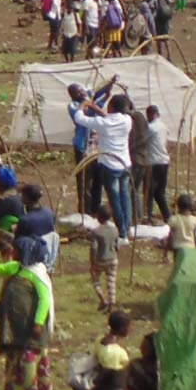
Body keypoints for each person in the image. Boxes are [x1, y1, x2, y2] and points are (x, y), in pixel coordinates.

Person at [0, 238, 53, 390]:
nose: (13, 253)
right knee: (16, 357)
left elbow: (44, 300)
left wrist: (38, 322)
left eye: (17, 250)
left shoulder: (37, 275)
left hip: (32, 326)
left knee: (29, 359)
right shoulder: (15, 268)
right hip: (17, 325)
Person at [72, 94, 134, 238]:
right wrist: (95, 107)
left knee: (115, 200)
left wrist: (83, 106)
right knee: (125, 196)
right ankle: (128, 227)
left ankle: (122, 233)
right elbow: (109, 116)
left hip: (110, 166)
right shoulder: (127, 120)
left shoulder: (103, 123)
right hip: (125, 164)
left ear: (111, 106)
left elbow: (79, 119)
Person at [136, 106, 172, 223]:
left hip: (154, 163)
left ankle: (148, 216)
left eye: (148, 115)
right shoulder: (164, 126)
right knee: (160, 192)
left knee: (149, 192)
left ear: (151, 114)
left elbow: (141, 139)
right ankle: (168, 216)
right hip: (164, 161)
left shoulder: (151, 128)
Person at [87, 205, 119, 312]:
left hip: (100, 259)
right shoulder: (114, 229)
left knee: (95, 280)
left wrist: (92, 263)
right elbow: (117, 245)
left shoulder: (96, 232)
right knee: (111, 281)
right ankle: (112, 303)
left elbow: (94, 248)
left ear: (98, 217)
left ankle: (103, 299)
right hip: (113, 258)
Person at [167, 194, 196, 261]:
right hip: (191, 248)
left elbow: (171, 235)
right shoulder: (195, 220)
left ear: (178, 206)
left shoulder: (174, 219)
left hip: (177, 247)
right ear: (191, 207)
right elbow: (195, 236)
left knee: (178, 266)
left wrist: (168, 248)